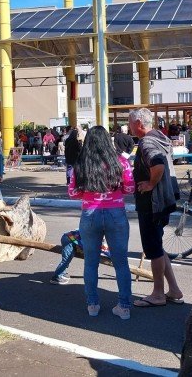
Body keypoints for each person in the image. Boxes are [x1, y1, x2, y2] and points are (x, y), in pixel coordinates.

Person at [68, 126, 135, 319]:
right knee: (121, 262)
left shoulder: (81, 163)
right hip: (116, 213)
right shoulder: (121, 161)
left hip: (90, 214)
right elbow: (130, 188)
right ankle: (124, 307)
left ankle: (93, 305)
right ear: (108, 140)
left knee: (91, 262)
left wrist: (89, 192)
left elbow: (72, 193)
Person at [128, 108, 184, 307]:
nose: (128, 126)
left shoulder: (147, 142)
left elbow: (158, 164)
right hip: (164, 200)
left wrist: (150, 184)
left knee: (153, 250)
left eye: (130, 122)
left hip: (152, 203)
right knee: (158, 247)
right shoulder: (160, 137)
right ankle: (174, 289)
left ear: (139, 124)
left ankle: (158, 294)